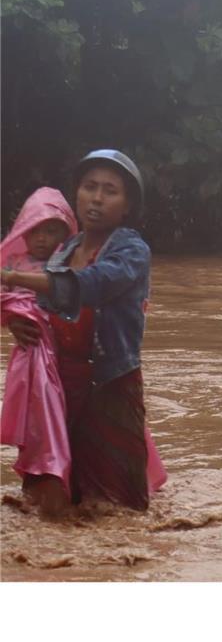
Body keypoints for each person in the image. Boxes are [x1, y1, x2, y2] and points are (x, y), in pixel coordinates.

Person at [1, 150, 166, 511]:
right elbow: (40, 306)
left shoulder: (132, 250)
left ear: (127, 207)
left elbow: (91, 284)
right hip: (61, 385)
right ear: (76, 194)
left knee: (117, 504)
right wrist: (17, 322)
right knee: (55, 500)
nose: (97, 198)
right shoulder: (65, 249)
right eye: (90, 187)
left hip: (110, 383)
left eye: (110, 190)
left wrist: (14, 276)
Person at [1, 188, 78, 515]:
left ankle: (57, 482)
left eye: (52, 230)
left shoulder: (72, 267)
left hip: (67, 358)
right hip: (31, 356)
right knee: (40, 414)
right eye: (37, 229)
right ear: (23, 229)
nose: (43, 238)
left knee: (69, 421)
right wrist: (10, 317)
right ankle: (45, 478)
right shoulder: (12, 263)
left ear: (65, 235)